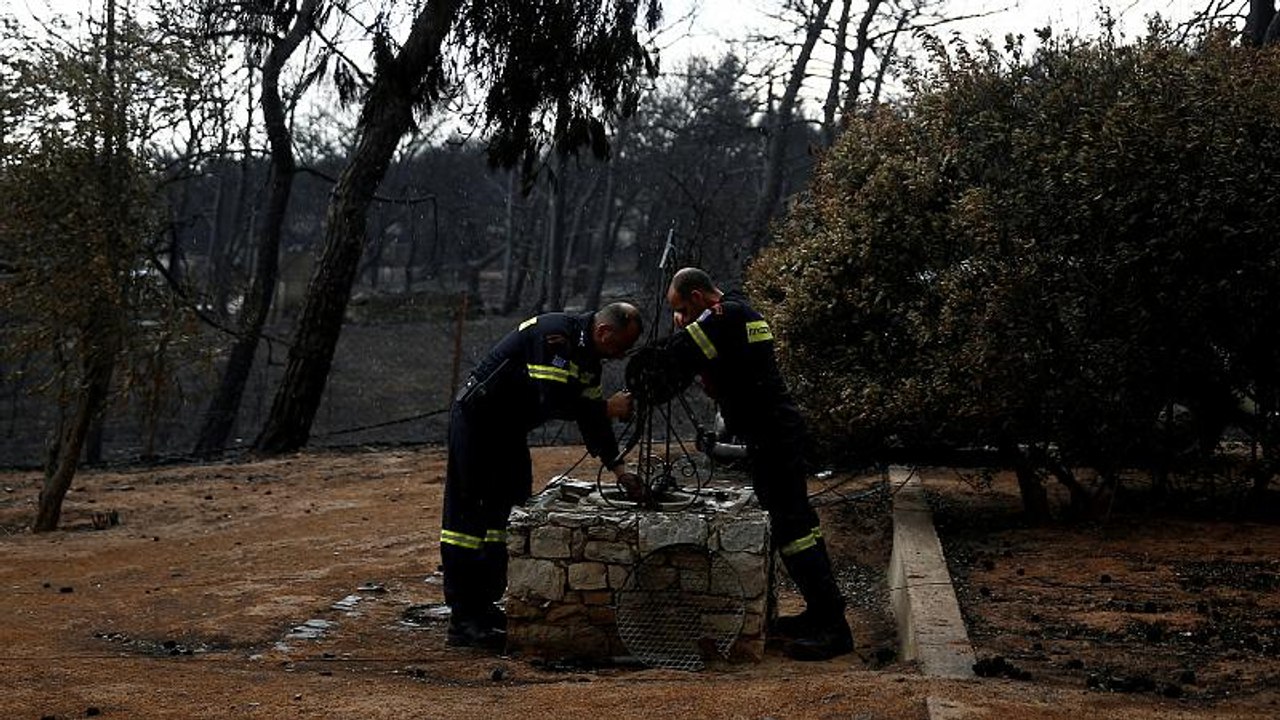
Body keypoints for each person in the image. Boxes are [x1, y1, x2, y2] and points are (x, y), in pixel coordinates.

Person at [634, 267, 853, 661]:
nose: (680, 318)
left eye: (682, 309)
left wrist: (640, 375)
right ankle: (821, 612)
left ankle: (834, 629)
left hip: (775, 438)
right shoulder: (740, 311)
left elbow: (678, 354)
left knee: (794, 530)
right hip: (775, 435)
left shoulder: (725, 318)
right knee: (799, 524)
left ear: (699, 298)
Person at [441, 302, 642, 650]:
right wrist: (607, 407)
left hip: (508, 430)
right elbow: (554, 400)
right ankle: (463, 619)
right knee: (467, 520)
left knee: (507, 509)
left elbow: (591, 421)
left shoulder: (589, 357)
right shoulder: (555, 337)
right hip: (478, 421)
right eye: (620, 347)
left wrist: (619, 469)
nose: (620, 356)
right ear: (604, 332)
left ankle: (485, 607)